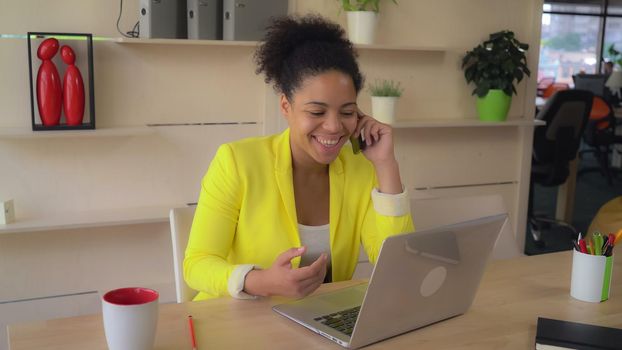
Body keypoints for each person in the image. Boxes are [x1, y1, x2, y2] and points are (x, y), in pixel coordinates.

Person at [184, 14, 414, 301]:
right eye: (317, 112)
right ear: (285, 105)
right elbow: (197, 264)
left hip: (320, 324)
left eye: (347, 112)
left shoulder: (361, 168)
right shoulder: (237, 162)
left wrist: (385, 164)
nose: (334, 126)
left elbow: (399, 267)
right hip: (236, 323)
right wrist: (259, 281)